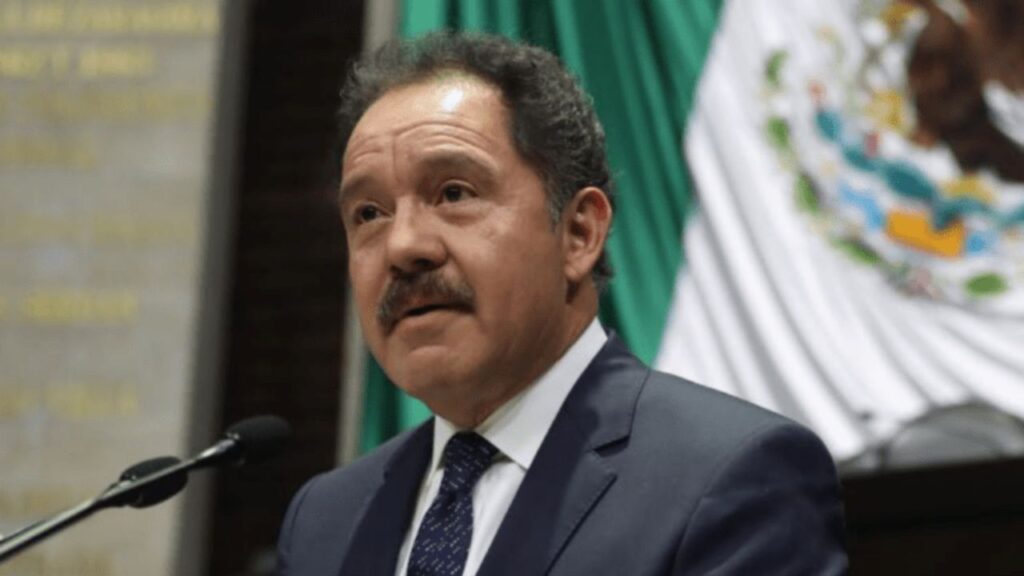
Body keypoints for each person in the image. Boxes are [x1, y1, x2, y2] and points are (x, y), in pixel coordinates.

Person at [277, 32, 847, 576]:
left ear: (579, 234)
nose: (403, 246)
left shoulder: (730, 476)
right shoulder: (324, 521)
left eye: (453, 193)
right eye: (369, 214)